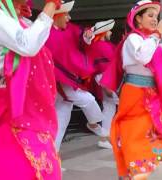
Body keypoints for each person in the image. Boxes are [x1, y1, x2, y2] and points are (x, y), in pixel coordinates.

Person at [101, 0, 162, 179]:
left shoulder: (150, 40)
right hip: (136, 98)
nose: (154, 20)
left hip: (153, 99)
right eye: (150, 16)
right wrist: (157, 33)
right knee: (138, 139)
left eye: (156, 16)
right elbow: (143, 56)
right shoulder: (133, 39)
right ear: (138, 19)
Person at [0, 0, 61, 179]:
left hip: (18, 104)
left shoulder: (15, 19)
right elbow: (28, 44)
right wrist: (50, 6)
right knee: (12, 167)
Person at [45, 1, 109, 150]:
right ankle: (93, 123)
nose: (69, 17)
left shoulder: (70, 29)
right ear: (56, 15)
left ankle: (53, 158)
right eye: (66, 14)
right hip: (56, 78)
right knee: (87, 100)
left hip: (66, 79)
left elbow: (83, 38)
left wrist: (87, 36)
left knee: (62, 121)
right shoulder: (45, 31)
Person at [85, 19, 118, 148]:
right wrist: (106, 85)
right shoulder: (101, 46)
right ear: (104, 32)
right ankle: (111, 137)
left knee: (109, 108)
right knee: (119, 105)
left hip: (105, 79)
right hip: (106, 79)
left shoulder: (101, 45)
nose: (110, 32)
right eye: (108, 30)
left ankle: (105, 138)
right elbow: (102, 67)